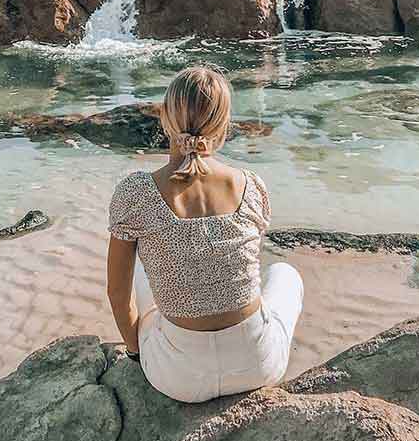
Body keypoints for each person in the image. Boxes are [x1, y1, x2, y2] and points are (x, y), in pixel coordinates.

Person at [106, 65, 304, 403]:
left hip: (179, 378)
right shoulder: (251, 186)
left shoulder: (136, 192)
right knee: (285, 274)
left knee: (140, 270)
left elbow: (116, 293)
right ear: (224, 126)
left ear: (164, 116)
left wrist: (137, 350)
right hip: (257, 365)